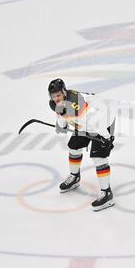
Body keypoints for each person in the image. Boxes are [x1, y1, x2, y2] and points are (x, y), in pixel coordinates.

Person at [48, 78, 116, 211]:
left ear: (64, 92)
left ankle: (107, 193)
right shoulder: (59, 103)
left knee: (99, 158)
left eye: (58, 95)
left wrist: (107, 138)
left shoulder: (78, 105)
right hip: (84, 123)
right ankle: (74, 177)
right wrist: (60, 117)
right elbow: (62, 125)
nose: (56, 98)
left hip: (102, 121)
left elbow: (94, 123)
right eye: (53, 96)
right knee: (74, 147)